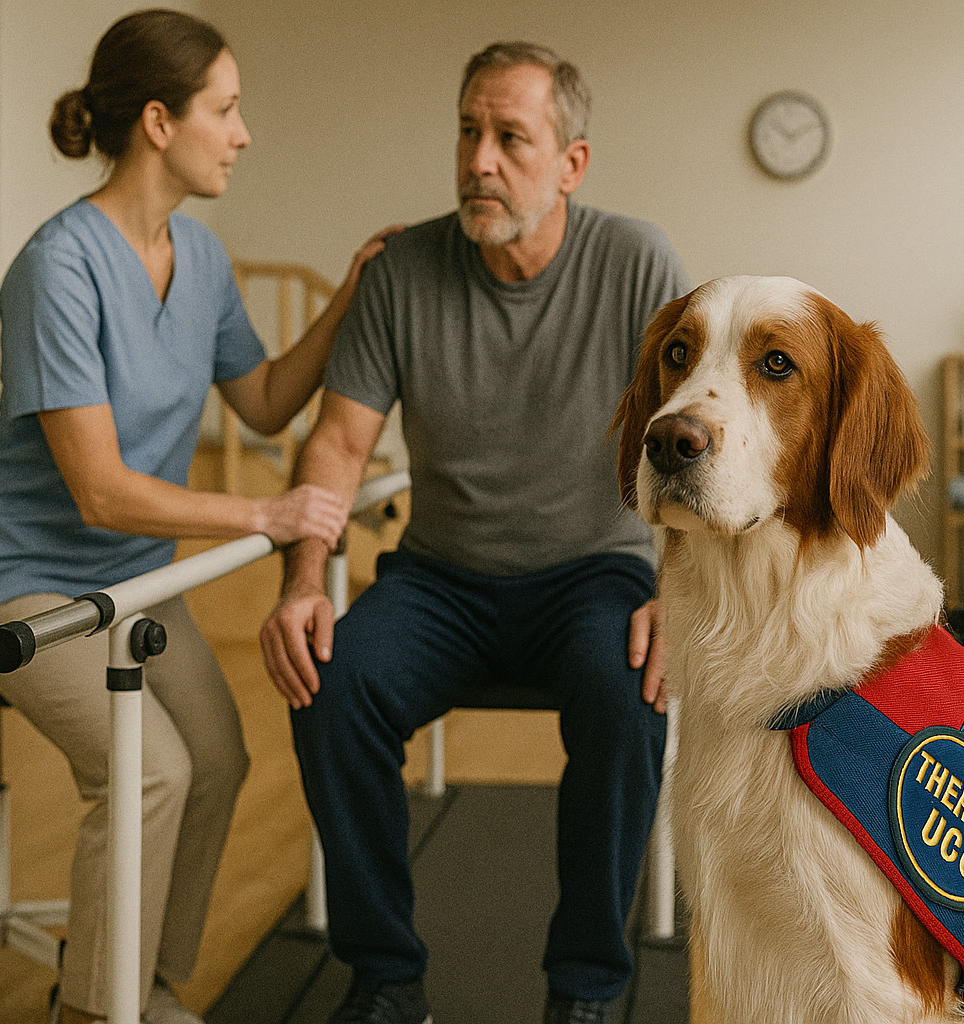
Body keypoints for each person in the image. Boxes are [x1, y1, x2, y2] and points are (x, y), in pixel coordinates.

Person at [0, 10, 396, 1024]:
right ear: (160, 121)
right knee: (147, 770)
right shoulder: (58, 267)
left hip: (129, 584)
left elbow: (261, 401)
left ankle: (140, 984)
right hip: (13, 579)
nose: (243, 134)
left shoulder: (199, 258)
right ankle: (91, 1011)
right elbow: (100, 489)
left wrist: (348, 298)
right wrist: (267, 508)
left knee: (216, 760)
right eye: (228, 109)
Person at [258, 42, 689, 1024]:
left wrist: (683, 588)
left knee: (631, 695)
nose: (479, 160)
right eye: (467, 131)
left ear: (571, 163)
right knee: (331, 679)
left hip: (593, 572)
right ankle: (386, 978)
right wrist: (305, 578)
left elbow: (690, 444)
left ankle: (585, 986)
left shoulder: (638, 261)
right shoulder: (401, 270)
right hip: (438, 579)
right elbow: (336, 443)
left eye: (510, 138)